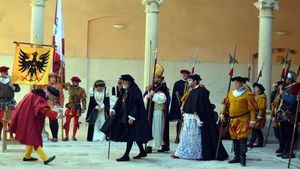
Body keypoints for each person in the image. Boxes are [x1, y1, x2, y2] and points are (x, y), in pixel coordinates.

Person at [173, 74, 228, 160]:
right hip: (190, 119)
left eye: (190, 80)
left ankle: (198, 154)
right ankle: (184, 152)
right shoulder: (192, 91)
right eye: (188, 80)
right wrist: (184, 111)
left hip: (199, 119)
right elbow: (189, 105)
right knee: (188, 137)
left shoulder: (202, 91)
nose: (188, 82)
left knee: (197, 138)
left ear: (195, 81)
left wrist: (197, 117)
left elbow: (201, 107)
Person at [102, 74, 151, 162]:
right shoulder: (125, 90)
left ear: (129, 81)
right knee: (134, 135)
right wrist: (113, 109)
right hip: (125, 115)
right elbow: (119, 102)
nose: (122, 83)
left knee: (130, 136)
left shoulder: (135, 90)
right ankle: (142, 151)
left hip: (135, 117)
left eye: (124, 81)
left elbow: (137, 105)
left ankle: (126, 155)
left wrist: (132, 116)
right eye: (122, 81)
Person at [9, 85, 63, 165]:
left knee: (32, 136)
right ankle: (45, 158)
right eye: (52, 97)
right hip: (29, 118)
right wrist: (57, 115)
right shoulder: (40, 98)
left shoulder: (37, 95)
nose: (52, 99)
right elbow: (43, 110)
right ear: (48, 93)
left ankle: (27, 156)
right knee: (35, 138)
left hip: (27, 116)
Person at [220, 76, 257, 166]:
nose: (235, 84)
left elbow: (252, 109)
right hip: (233, 119)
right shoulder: (231, 93)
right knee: (234, 138)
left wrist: (252, 120)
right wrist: (222, 113)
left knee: (242, 138)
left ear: (242, 83)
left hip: (243, 119)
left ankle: (243, 157)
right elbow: (226, 104)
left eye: (236, 82)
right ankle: (236, 157)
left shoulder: (248, 94)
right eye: (234, 82)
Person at [145, 63, 170, 153]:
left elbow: (163, 99)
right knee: (151, 128)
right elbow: (146, 97)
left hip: (158, 111)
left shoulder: (162, 87)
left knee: (157, 129)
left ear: (160, 78)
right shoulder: (153, 87)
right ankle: (151, 144)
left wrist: (153, 95)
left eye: (155, 77)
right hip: (152, 111)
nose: (153, 79)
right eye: (153, 77)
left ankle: (154, 145)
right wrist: (147, 96)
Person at [169, 69, 191, 143]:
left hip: (188, 105)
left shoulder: (190, 83)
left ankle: (186, 138)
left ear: (188, 75)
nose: (184, 75)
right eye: (183, 74)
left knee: (188, 121)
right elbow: (176, 94)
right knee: (179, 121)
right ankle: (177, 136)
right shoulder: (177, 83)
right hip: (180, 104)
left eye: (186, 74)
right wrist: (180, 104)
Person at [63, 76, 87, 141]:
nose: (75, 83)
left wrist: (84, 107)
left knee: (76, 123)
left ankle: (73, 136)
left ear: (78, 82)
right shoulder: (69, 87)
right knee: (67, 122)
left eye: (76, 82)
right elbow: (63, 87)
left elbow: (84, 99)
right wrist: (64, 82)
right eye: (74, 81)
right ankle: (66, 136)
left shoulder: (82, 90)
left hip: (77, 108)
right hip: (70, 107)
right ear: (72, 82)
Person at [0, 66, 20, 140]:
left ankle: (11, 135)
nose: (5, 73)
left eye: (6, 72)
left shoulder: (12, 80)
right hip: (0, 102)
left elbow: (18, 89)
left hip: (10, 102)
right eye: (4, 72)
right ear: (1, 73)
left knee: (10, 119)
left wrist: (13, 87)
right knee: (0, 120)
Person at [43, 72, 64, 142]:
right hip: (47, 104)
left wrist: (61, 107)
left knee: (54, 120)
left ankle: (55, 136)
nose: (53, 79)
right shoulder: (45, 86)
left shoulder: (59, 86)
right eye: (52, 77)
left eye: (54, 78)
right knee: (45, 120)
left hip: (55, 104)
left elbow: (61, 96)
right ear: (49, 78)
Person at [247, 83, 267, 148]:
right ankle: (260, 143)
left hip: (258, 115)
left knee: (255, 129)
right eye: (255, 88)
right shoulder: (256, 96)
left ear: (260, 89)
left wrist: (259, 116)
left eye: (256, 88)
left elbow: (261, 108)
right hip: (254, 115)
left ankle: (251, 142)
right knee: (257, 130)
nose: (255, 89)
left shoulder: (262, 97)